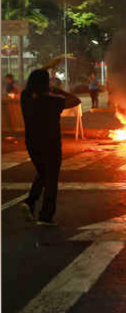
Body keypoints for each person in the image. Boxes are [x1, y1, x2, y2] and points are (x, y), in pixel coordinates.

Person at [19, 69, 81, 225]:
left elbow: (28, 89)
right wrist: (55, 89)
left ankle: (30, 202)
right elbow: (75, 100)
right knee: (51, 178)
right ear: (46, 84)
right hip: (50, 143)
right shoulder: (52, 101)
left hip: (32, 143)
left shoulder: (25, 97)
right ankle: (46, 215)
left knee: (42, 173)